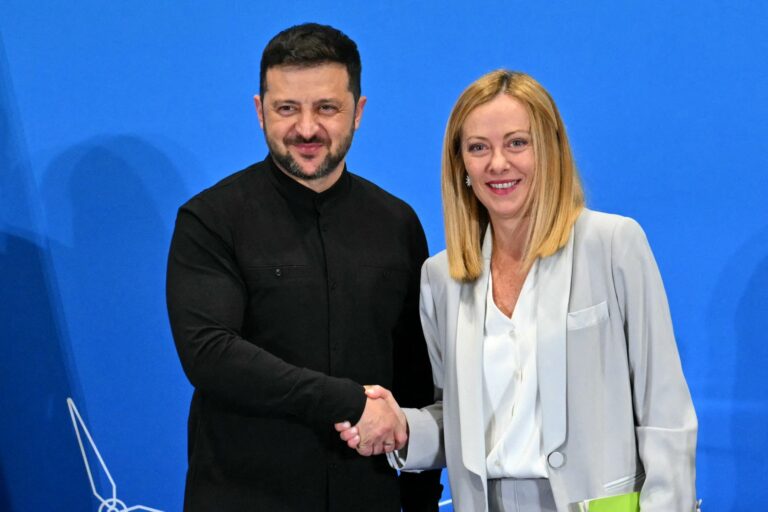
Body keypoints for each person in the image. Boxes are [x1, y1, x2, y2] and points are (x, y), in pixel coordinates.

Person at [336, 70, 698, 511]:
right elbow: (458, 421)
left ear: (550, 150)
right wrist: (403, 428)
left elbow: (664, 411)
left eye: (517, 143)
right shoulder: (442, 277)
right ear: (461, 166)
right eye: (478, 147)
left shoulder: (613, 244)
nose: (498, 164)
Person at [166, 22, 442, 511]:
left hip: (368, 497)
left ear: (358, 111)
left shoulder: (398, 223)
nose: (307, 128)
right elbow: (210, 354)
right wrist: (349, 401)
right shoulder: (211, 219)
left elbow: (415, 375)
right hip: (246, 498)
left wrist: (420, 502)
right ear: (260, 111)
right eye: (287, 108)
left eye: (327, 108)